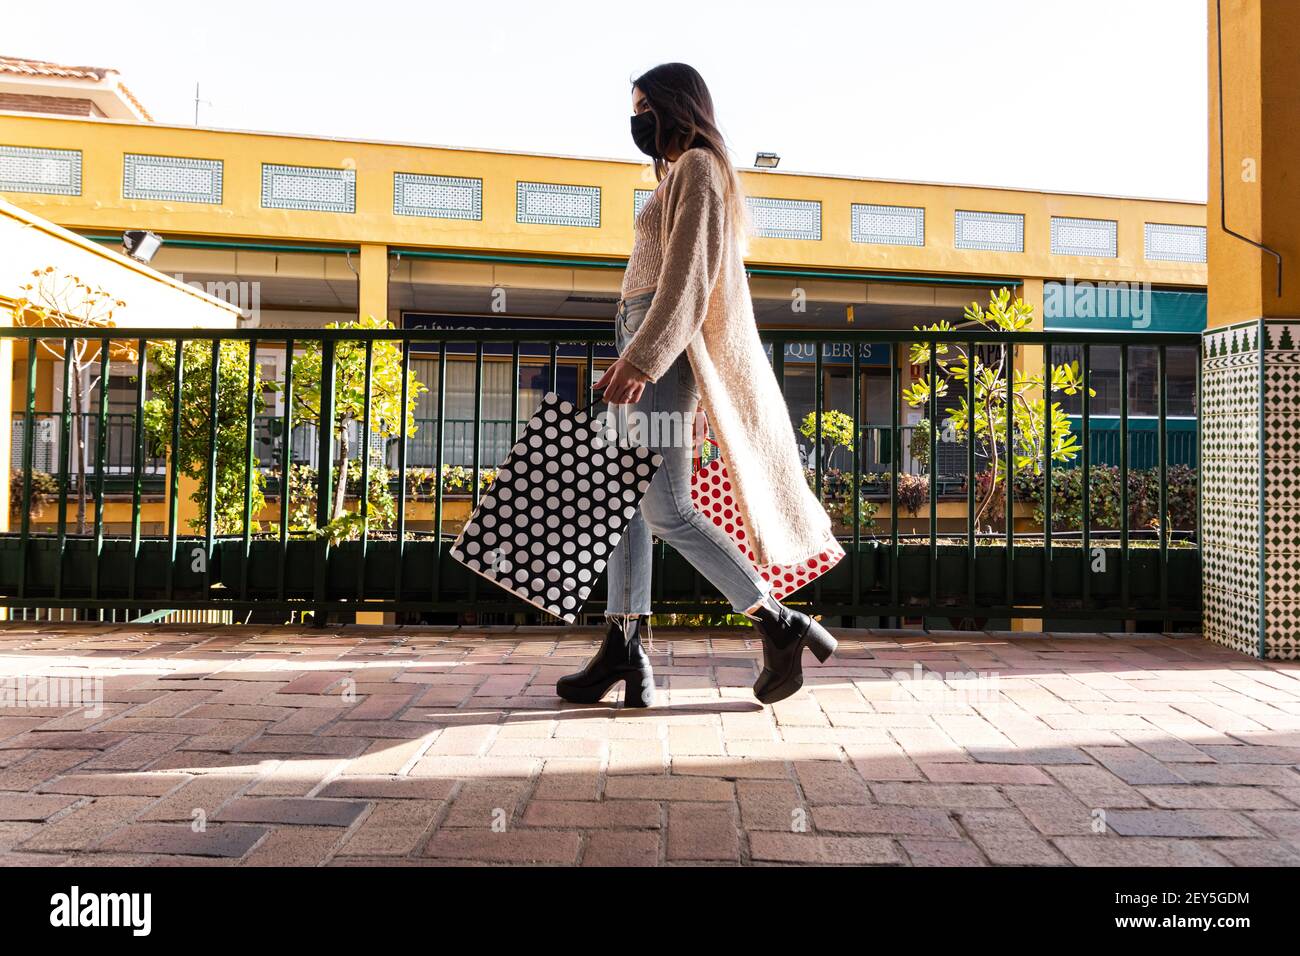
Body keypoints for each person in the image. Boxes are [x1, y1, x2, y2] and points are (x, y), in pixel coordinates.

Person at [555, 63, 836, 709]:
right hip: (644, 337)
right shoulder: (683, 173)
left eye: (643, 106)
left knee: (666, 508)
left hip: (662, 345)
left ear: (674, 106)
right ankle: (624, 650)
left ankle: (778, 622)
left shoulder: (700, 169)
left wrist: (644, 358)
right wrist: (630, 351)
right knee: (621, 500)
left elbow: (687, 279)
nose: (636, 120)